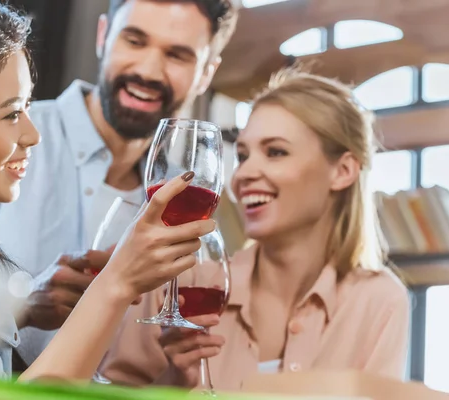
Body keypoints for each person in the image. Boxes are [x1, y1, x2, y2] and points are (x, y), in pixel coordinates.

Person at [0, 0, 214, 381]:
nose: (33, 133)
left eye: (27, 107)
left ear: (208, 72)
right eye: (11, 113)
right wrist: (118, 280)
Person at [100, 68, 411, 390]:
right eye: (243, 155)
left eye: (275, 152)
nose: (244, 173)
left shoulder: (378, 301)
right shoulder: (181, 280)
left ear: (343, 171)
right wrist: (175, 381)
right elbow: (110, 394)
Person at [0, 0, 239, 367]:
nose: (148, 70)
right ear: (103, 36)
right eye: (134, 41)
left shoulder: (186, 195)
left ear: (206, 73)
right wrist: (20, 305)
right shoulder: (4, 137)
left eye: (177, 55)